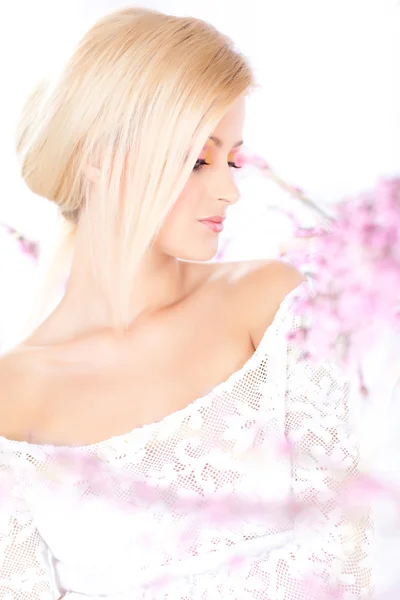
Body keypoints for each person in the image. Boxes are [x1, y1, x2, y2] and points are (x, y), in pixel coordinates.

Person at [0, 7, 372, 600]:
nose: (228, 188)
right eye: (199, 159)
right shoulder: (11, 396)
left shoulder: (273, 305)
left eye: (232, 160)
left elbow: (347, 553)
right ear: (98, 158)